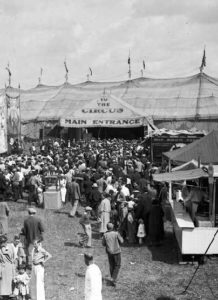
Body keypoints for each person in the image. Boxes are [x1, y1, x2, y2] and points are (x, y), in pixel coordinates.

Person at [102, 222, 123, 287]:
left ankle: (113, 280)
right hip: (116, 251)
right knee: (117, 265)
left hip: (109, 252)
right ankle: (113, 278)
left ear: (107, 228)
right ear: (112, 227)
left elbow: (103, 243)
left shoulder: (105, 235)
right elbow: (122, 241)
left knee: (112, 265)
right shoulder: (116, 233)